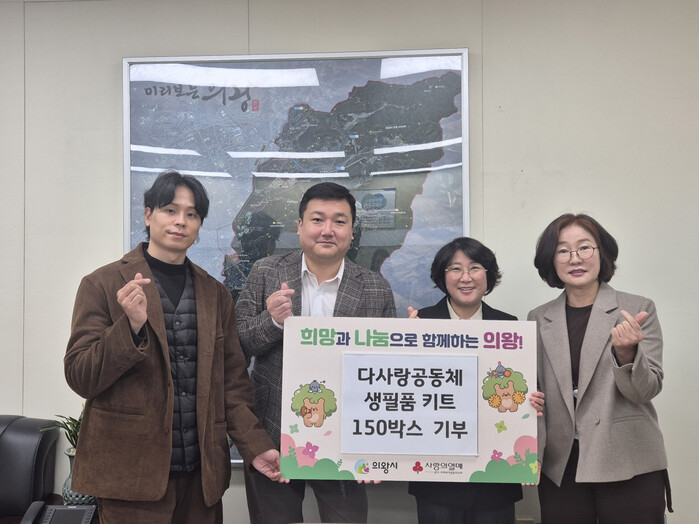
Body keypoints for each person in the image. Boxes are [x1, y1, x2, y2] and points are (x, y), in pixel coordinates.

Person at [64, 170, 281, 524]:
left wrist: (255, 446)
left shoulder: (215, 294)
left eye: (192, 214)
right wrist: (129, 327)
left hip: (201, 480)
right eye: (170, 210)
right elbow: (80, 376)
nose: (181, 221)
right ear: (148, 215)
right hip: (130, 479)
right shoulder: (102, 284)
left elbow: (232, 384)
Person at [236, 181, 396, 524]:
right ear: (299, 226)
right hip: (272, 434)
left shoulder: (375, 287)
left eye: (339, 221)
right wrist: (272, 321)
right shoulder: (266, 272)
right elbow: (237, 348)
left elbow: (385, 373)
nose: (327, 230)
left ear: (352, 231)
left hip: (347, 440)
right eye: (317, 219)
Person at [528, 213, 671, 523]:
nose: (575, 258)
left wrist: (627, 352)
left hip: (627, 458)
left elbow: (646, 391)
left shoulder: (637, 308)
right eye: (563, 250)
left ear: (602, 252)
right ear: (551, 260)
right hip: (562, 463)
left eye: (584, 247)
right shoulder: (538, 318)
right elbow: (535, 392)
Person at [407, 237, 543, 524]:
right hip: (436, 477)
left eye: (475, 268)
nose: (466, 277)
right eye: (455, 269)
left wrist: (533, 399)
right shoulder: (419, 324)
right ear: (442, 276)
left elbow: (522, 389)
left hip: (495, 477)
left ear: (488, 275)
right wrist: (406, 348)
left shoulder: (510, 326)